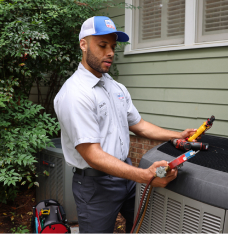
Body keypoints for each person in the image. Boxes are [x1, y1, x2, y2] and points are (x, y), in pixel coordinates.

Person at [53, 16, 197, 233]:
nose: (110, 52)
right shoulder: (75, 94)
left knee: (144, 226)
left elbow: (139, 125)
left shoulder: (115, 87)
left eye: (113, 46)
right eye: (102, 45)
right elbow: (92, 154)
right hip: (95, 186)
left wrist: (177, 135)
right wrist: (144, 175)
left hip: (126, 177)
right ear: (83, 44)